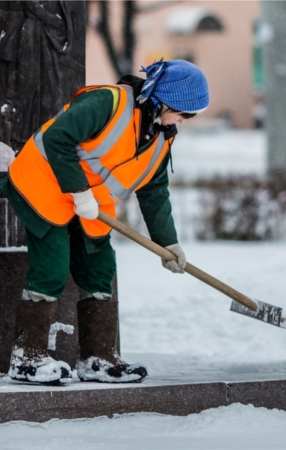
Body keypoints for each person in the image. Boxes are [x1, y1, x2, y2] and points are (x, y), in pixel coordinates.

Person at [0, 59, 209, 385]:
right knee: (52, 267)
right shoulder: (107, 102)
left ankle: (97, 359)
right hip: (44, 185)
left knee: (99, 268)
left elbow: (154, 190)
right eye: (183, 113)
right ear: (163, 100)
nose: (183, 121)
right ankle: (26, 358)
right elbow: (57, 138)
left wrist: (167, 243)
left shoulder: (162, 135)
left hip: (92, 205)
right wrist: (78, 191)